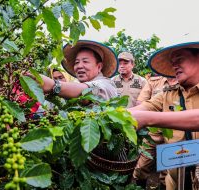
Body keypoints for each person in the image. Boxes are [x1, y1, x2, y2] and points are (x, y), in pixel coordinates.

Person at [129, 41, 199, 190]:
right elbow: (142, 108)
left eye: (180, 59)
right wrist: (108, 116)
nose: (175, 66)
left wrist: (149, 119)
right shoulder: (167, 94)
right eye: (173, 63)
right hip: (176, 181)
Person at [30, 40, 119, 100]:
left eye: (85, 61)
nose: (79, 66)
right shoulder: (79, 85)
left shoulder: (106, 85)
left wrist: (52, 85)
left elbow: (87, 91)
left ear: (99, 67)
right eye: (76, 62)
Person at [134, 76, 179, 189]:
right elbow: (142, 103)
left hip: (174, 133)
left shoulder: (186, 82)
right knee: (142, 165)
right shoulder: (154, 82)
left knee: (168, 171)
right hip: (153, 132)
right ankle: (139, 185)